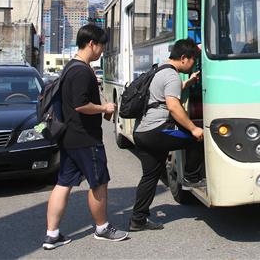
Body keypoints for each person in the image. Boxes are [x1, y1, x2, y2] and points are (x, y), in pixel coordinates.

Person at [43, 24, 128, 250]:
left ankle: (52, 235)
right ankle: (102, 228)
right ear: (92, 44)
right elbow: (81, 105)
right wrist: (104, 108)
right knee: (99, 182)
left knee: (63, 184)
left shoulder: (70, 67)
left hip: (69, 136)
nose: (102, 51)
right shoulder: (81, 71)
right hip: (85, 137)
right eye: (101, 46)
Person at [129, 38, 204, 232]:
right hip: (157, 131)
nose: (193, 64)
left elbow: (162, 96)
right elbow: (172, 106)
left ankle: (138, 219)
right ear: (183, 58)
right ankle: (192, 177)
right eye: (193, 60)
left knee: (150, 176)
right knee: (195, 139)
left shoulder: (160, 69)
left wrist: (186, 84)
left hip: (142, 131)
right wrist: (193, 128)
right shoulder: (171, 76)